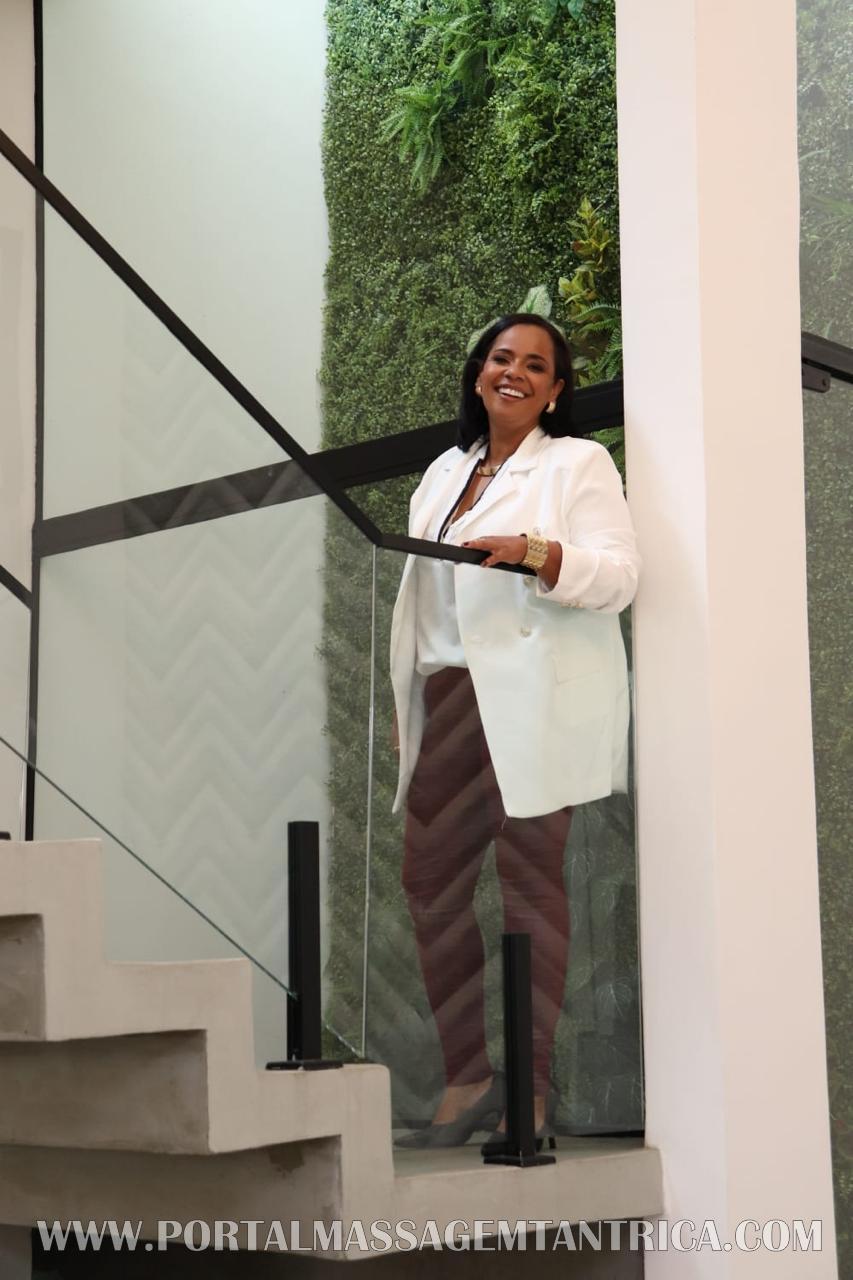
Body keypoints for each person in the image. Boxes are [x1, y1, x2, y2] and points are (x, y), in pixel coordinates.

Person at [390, 313, 640, 1150]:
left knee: (530, 884)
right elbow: (426, 600)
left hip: (530, 701)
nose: (515, 373)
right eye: (502, 358)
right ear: (477, 373)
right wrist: (412, 704)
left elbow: (619, 576)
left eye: (536, 365)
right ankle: (468, 1077)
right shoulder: (443, 472)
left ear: (555, 390)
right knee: (428, 882)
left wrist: (537, 553)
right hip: (449, 698)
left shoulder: (577, 463)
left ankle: (529, 1091)